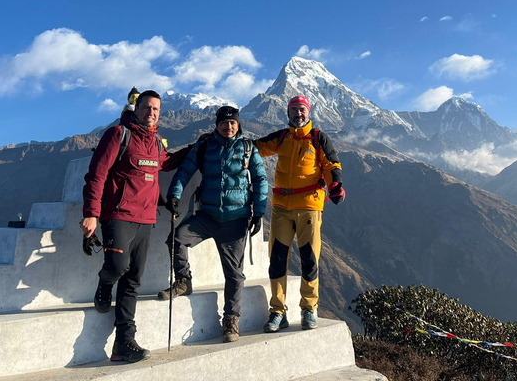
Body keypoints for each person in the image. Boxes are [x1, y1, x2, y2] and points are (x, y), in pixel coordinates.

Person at [81, 90, 190, 362]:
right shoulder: (118, 134)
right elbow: (96, 174)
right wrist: (91, 213)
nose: (151, 112)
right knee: (117, 268)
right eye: (146, 107)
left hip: (147, 219)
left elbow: (166, 163)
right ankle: (104, 283)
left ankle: (123, 342)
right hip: (117, 215)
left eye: (156, 109)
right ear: (136, 107)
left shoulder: (156, 142)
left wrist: (196, 148)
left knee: (133, 281)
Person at [158, 106, 268, 343]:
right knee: (177, 239)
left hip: (236, 220)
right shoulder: (205, 146)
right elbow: (185, 171)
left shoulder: (248, 148)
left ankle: (231, 319)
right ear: (216, 125)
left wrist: (258, 213)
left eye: (233, 123)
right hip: (206, 217)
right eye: (224, 123)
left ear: (238, 125)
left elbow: (260, 179)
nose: (228, 127)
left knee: (234, 274)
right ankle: (184, 281)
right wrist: (174, 195)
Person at [255, 95, 345, 332]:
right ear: (288, 113)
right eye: (294, 110)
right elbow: (257, 148)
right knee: (277, 260)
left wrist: (335, 186)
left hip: (309, 206)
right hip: (281, 207)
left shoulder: (318, 138)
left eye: (302, 110)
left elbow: (332, 165)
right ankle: (277, 311)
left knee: (309, 259)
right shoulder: (282, 137)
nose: (298, 114)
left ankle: (309, 308)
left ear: (309, 112)